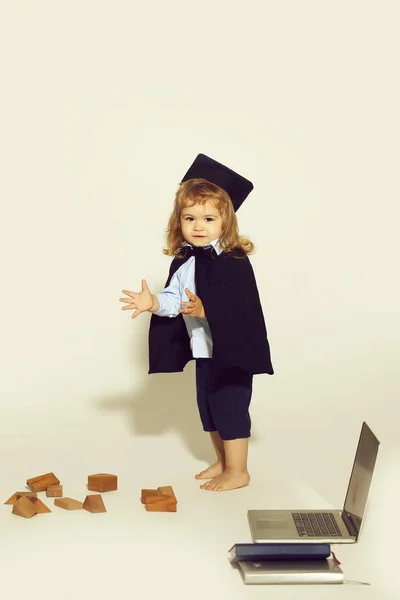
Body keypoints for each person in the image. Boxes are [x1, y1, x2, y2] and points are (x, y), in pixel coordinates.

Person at [120, 154, 273, 491]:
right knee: (210, 410)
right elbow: (176, 299)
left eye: (208, 218)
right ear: (179, 222)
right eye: (190, 218)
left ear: (226, 223)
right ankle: (223, 461)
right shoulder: (186, 261)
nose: (199, 226)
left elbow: (240, 307)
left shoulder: (233, 261)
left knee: (231, 409)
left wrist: (207, 311)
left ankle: (239, 471)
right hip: (204, 350)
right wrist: (154, 302)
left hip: (232, 354)